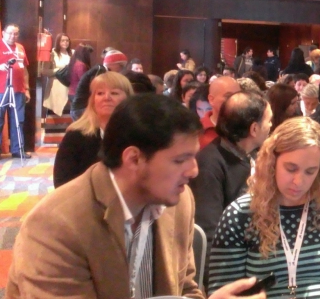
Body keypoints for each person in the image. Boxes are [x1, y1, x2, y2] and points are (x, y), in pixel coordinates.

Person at [8, 94, 262, 299]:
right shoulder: (56, 226)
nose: (194, 171)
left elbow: (185, 288)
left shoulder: (178, 201)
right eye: (180, 160)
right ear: (134, 159)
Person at [207, 118, 320, 297]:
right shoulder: (240, 214)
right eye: (290, 169)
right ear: (272, 162)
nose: (299, 181)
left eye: (310, 171)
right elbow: (223, 292)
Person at [190, 92, 272, 248]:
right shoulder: (209, 164)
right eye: (269, 121)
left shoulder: (255, 154)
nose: (270, 126)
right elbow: (209, 232)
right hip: (229, 253)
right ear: (254, 129)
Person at [53, 72, 134, 187]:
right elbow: (62, 183)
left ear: (128, 99)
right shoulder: (75, 135)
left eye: (114, 93)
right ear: (92, 101)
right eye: (100, 93)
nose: (107, 98)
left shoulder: (138, 134)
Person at [0, 24, 31, 158]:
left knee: (18, 120)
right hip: (1, 90)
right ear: (3, 33)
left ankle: (18, 150)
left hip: (19, 89)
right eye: (10, 33)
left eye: (16, 33)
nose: (13, 36)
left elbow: (25, 70)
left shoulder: (20, 47)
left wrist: (27, 88)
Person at [72, 49, 127, 120]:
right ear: (112, 63)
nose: (121, 68)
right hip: (82, 108)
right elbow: (95, 93)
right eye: (120, 65)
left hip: (82, 107)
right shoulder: (100, 71)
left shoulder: (102, 70)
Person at [200, 76, 242, 147]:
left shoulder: (247, 127)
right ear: (211, 99)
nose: (235, 100)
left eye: (238, 96)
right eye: (228, 96)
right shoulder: (197, 131)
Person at [43, 33, 72, 116]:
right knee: (54, 113)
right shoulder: (52, 54)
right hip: (56, 87)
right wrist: (59, 70)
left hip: (68, 86)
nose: (65, 42)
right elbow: (44, 71)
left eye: (67, 40)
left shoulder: (72, 53)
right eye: (62, 40)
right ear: (58, 42)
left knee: (67, 114)